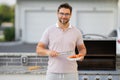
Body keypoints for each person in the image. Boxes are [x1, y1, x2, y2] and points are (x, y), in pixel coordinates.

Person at [36, 3, 86, 80]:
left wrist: (81, 55)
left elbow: (82, 49)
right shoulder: (49, 30)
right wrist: (48, 52)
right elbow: (39, 49)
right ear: (57, 13)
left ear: (70, 15)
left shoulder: (77, 31)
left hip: (71, 73)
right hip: (53, 73)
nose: (64, 16)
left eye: (67, 14)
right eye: (61, 13)